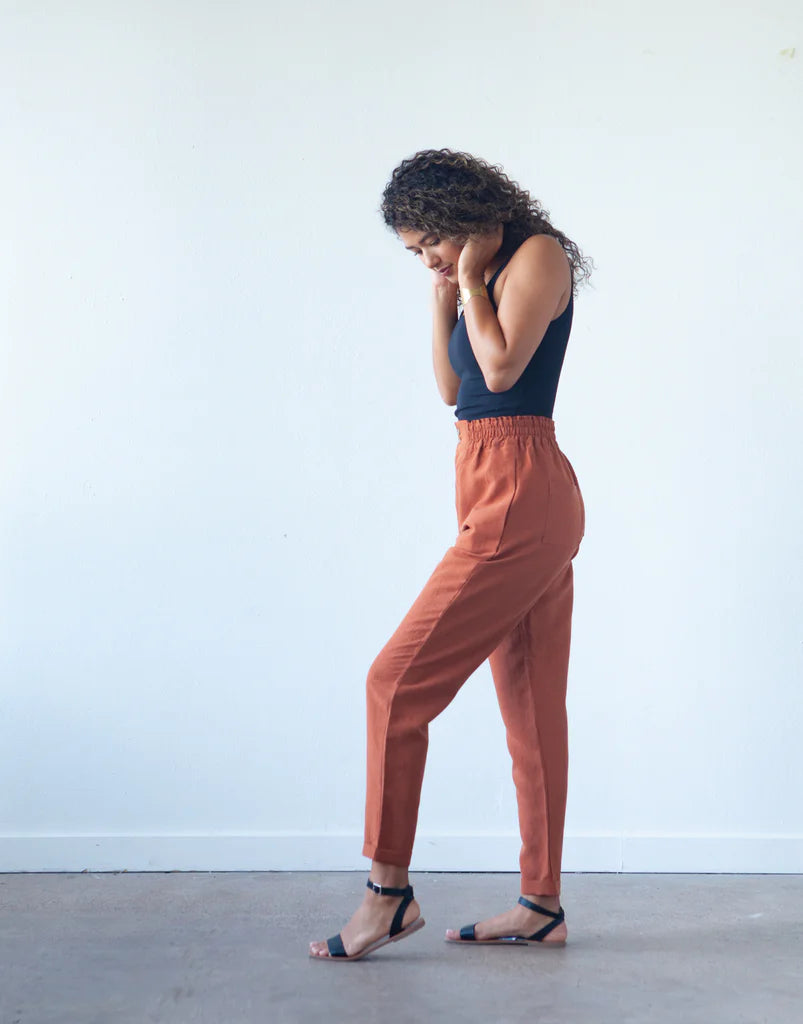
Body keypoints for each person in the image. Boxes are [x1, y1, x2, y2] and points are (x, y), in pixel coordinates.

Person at [309, 148, 591, 962]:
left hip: (521, 487)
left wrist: (466, 284)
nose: (426, 258)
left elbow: (501, 373)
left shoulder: (535, 255)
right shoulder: (467, 277)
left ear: (462, 214)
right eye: (415, 252)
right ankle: (540, 905)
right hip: (485, 477)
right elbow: (451, 388)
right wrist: (443, 298)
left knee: (393, 684)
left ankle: (386, 894)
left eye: (428, 241)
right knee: (529, 710)